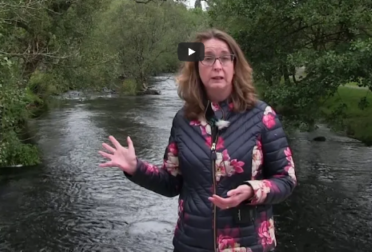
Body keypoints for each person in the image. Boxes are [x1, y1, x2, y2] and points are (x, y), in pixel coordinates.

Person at [99, 29, 297, 251]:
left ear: (235, 65)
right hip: (191, 244)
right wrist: (136, 168)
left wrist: (253, 189)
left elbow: (285, 179)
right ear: (196, 67)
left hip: (249, 245)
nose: (217, 65)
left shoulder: (262, 116)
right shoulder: (184, 120)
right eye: (207, 58)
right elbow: (171, 183)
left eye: (224, 57)